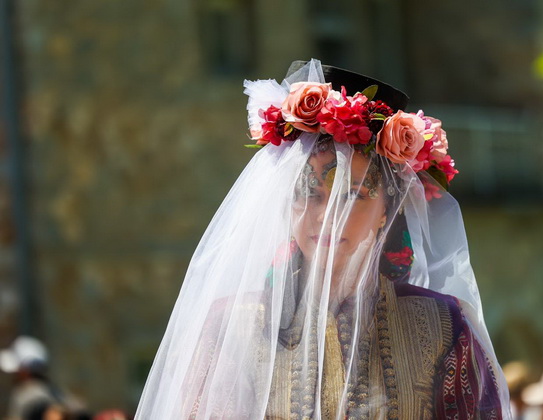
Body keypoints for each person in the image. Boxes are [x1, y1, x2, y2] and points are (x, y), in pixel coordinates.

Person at [135, 59, 510, 419]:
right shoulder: (233, 328)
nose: (328, 216)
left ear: (386, 211)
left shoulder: (441, 325)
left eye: (353, 194)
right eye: (309, 192)